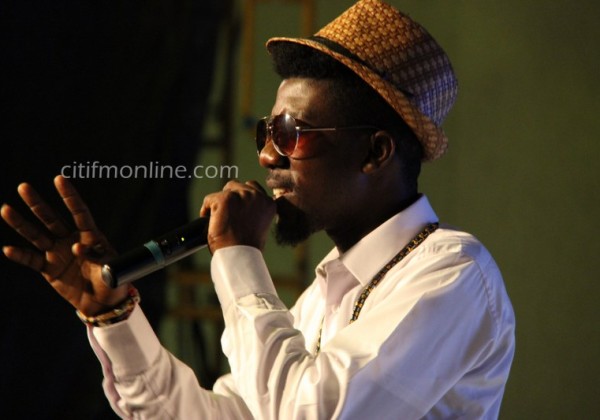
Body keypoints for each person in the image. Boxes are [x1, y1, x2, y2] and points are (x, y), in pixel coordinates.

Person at [1, 0, 515, 418]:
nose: (268, 156)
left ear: (375, 152)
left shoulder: (452, 274)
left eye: (291, 133)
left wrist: (238, 256)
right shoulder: (323, 297)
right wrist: (113, 317)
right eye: (266, 132)